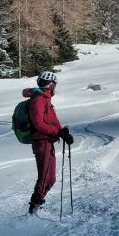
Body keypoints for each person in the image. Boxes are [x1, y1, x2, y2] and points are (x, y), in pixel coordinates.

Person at [24, 71, 73, 215]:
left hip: (48, 141)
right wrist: (57, 132)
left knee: (50, 179)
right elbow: (38, 123)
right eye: (55, 85)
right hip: (42, 141)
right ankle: (34, 208)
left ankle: (37, 203)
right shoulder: (39, 100)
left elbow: (53, 121)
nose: (55, 88)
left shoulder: (46, 100)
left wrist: (62, 133)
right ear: (51, 85)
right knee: (45, 177)